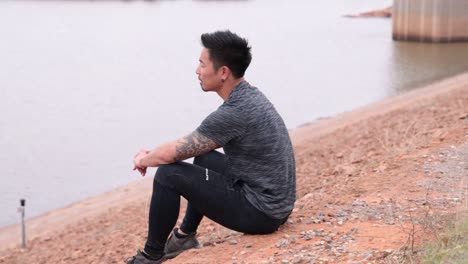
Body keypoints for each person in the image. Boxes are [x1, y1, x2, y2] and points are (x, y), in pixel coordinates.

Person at [126, 30, 296, 264]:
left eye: (202, 64)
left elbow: (170, 154)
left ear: (223, 72)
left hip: (262, 213)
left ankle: (151, 256)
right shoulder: (251, 97)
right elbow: (190, 147)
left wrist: (142, 159)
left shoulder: (233, 113)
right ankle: (184, 236)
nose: (197, 71)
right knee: (203, 157)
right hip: (277, 204)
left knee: (168, 174)